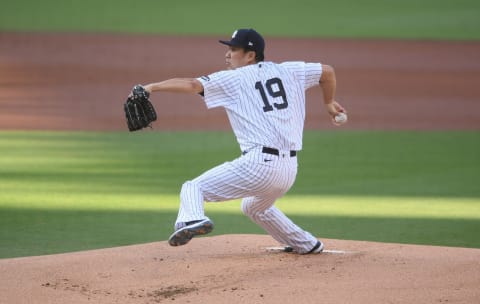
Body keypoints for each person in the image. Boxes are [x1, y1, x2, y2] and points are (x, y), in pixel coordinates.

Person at [140, 28, 346, 254]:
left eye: (233, 49)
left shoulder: (233, 78)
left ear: (250, 55)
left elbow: (191, 84)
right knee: (254, 207)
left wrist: (152, 87)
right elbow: (327, 72)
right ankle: (307, 244)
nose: (227, 54)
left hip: (259, 166)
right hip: (289, 170)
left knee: (193, 187)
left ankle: (191, 221)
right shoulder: (289, 70)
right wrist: (329, 102)